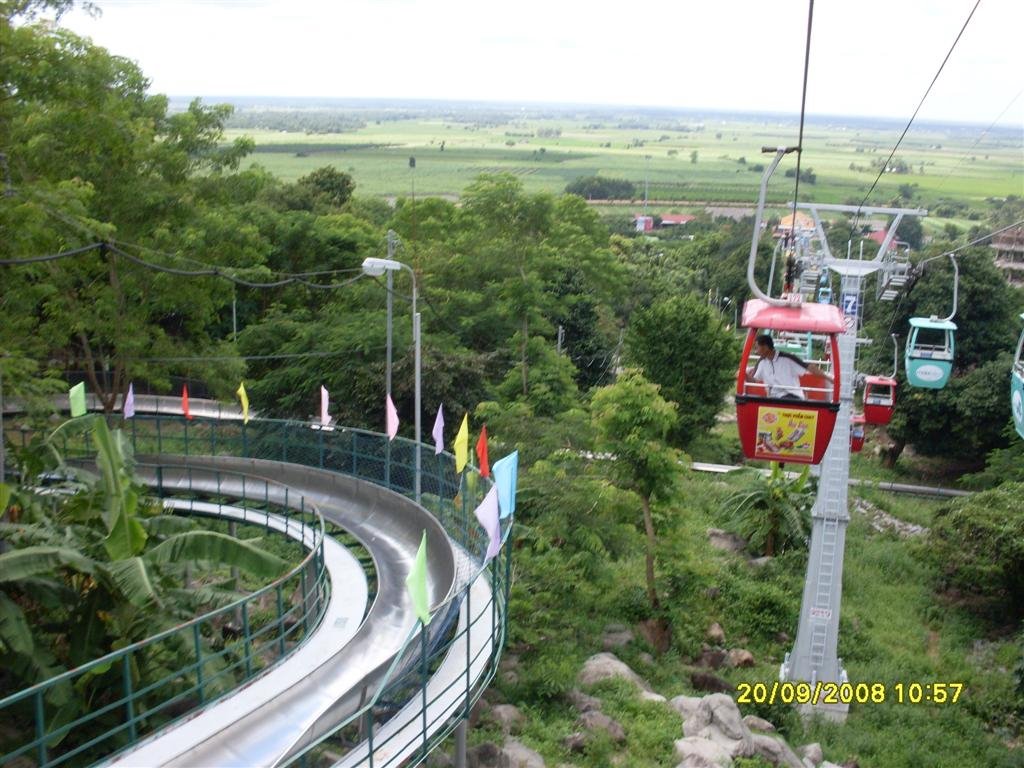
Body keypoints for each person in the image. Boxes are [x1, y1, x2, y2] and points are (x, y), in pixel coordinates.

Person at [745, 333, 832, 399]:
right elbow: (754, 380)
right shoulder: (762, 362)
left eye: (757, 348)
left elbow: (809, 367)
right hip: (773, 398)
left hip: (792, 396)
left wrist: (828, 378)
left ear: (765, 347)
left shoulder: (788, 358)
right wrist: (744, 375)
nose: (756, 352)